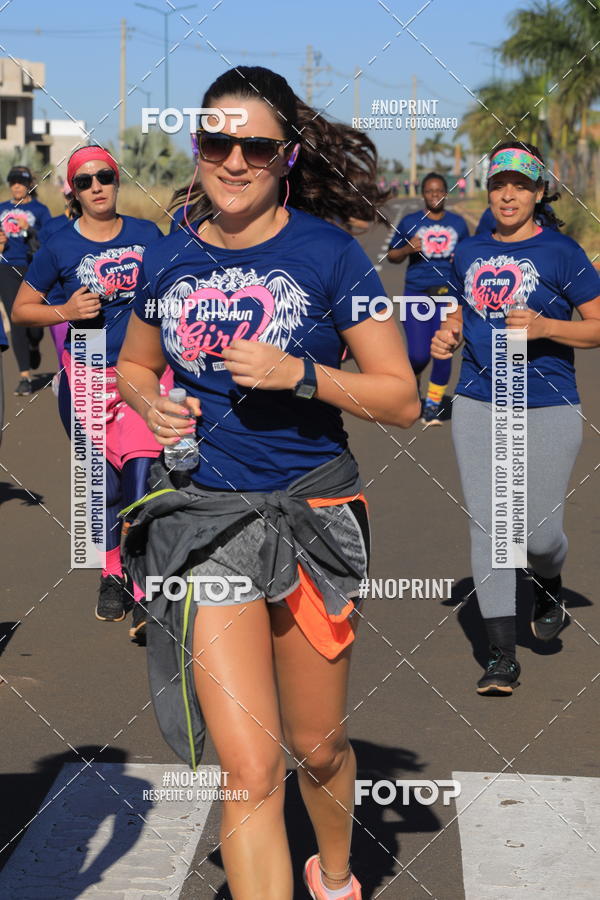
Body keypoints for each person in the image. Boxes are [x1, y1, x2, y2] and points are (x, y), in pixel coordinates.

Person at [117, 65, 420, 900]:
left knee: (316, 746)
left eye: (256, 146)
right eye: (217, 142)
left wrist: (302, 375)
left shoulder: (330, 254)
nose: (234, 161)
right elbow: (133, 364)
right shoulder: (169, 254)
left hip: (313, 512)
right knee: (249, 769)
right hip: (207, 521)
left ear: (286, 156)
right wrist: (153, 403)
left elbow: (401, 399)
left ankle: (335, 874)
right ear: (196, 146)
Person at [431, 141, 600, 695]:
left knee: (537, 534)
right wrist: (450, 331)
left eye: (520, 185)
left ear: (538, 191)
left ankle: (548, 580)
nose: (508, 194)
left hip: (549, 403)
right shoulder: (468, 251)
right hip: (480, 399)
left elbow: (597, 325)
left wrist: (547, 328)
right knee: (491, 524)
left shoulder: (561, 252)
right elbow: (461, 309)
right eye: (499, 184)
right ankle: (501, 655)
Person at [12, 146, 170, 638]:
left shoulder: (148, 235)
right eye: (85, 181)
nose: (97, 186)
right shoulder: (58, 246)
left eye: (104, 176)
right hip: (86, 374)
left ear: (117, 180)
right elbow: (22, 309)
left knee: (142, 480)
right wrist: (66, 311)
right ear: (74, 191)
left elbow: (179, 286)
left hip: (142, 373)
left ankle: (143, 588)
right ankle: (111, 574)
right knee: (105, 488)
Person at [387, 172, 469, 425]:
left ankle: (433, 405)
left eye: (439, 190)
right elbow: (392, 255)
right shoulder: (410, 221)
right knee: (418, 355)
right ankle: (413, 385)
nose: (435, 195)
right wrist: (406, 249)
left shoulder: (458, 224)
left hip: (449, 296)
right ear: (423, 194)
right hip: (417, 295)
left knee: (443, 351)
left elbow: (469, 256)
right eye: (430, 191)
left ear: (446, 193)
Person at [0, 166, 51, 395]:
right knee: (16, 317)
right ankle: (24, 376)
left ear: (30, 185)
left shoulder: (40, 210)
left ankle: (34, 344)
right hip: (6, 267)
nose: (16, 187)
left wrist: (30, 229)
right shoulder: (2, 208)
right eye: (13, 182)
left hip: (33, 268)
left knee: (35, 323)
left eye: (21, 182)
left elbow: (50, 239)